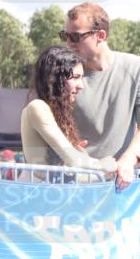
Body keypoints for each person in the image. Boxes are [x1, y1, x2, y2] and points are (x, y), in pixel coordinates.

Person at [62, 3, 140, 189]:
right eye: (65, 36)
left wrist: (128, 160)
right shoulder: (63, 73)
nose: (68, 43)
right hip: (76, 183)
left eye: (75, 36)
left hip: (120, 183)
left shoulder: (137, 67)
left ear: (101, 35)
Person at [20, 46, 117, 174]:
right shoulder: (37, 107)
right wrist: (106, 164)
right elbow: (74, 161)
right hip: (39, 191)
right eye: (76, 77)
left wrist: (79, 153)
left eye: (81, 78)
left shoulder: (52, 112)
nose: (81, 86)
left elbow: (71, 163)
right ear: (55, 78)